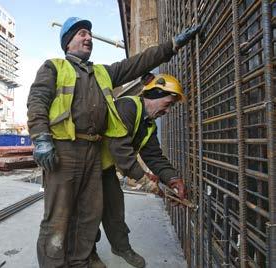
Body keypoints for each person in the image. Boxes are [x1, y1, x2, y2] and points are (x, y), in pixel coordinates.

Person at [27, 16, 200, 267]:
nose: (88, 38)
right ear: (67, 42)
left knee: (89, 214)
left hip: (94, 151)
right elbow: (37, 101)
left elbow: (138, 63)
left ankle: (81, 260)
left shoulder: (103, 73)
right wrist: (41, 137)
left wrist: (171, 45)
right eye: (82, 34)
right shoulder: (54, 67)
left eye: (90, 34)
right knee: (58, 217)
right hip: (65, 150)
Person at [91, 73, 188, 268]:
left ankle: (121, 247)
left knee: (115, 209)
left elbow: (153, 156)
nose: (167, 111)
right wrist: (145, 181)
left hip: (106, 169)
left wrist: (172, 178)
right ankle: (89, 253)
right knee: (90, 213)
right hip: (88, 167)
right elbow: (119, 150)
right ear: (154, 94)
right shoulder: (127, 107)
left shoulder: (149, 124)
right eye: (168, 104)